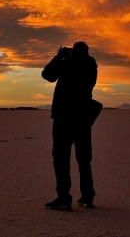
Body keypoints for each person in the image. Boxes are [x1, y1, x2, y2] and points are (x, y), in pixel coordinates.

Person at [41, 41, 98, 210]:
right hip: (82, 119)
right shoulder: (91, 66)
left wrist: (58, 57)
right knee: (84, 160)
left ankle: (64, 197)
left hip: (64, 118)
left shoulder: (67, 64)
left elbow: (47, 75)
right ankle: (87, 197)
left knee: (61, 159)